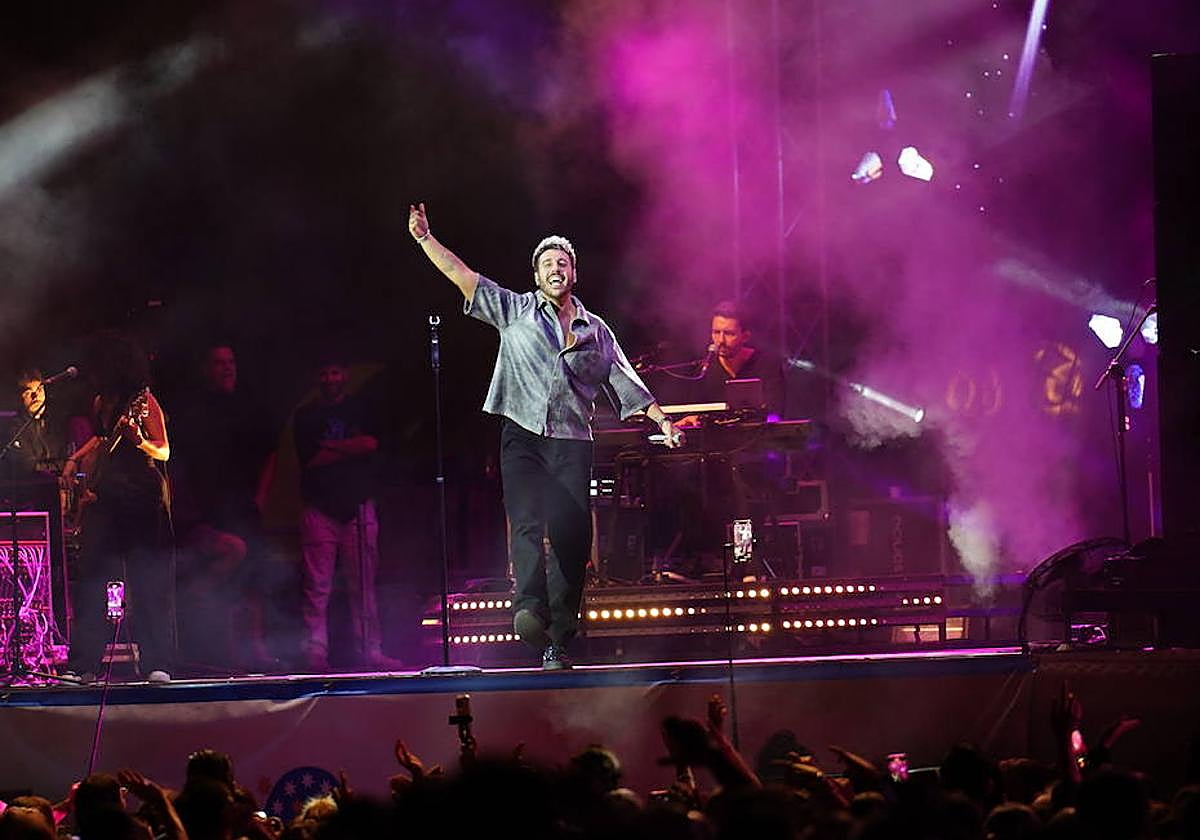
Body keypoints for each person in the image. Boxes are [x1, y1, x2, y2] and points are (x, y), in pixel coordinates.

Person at [407, 202, 682, 670]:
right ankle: (528, 609)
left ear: (574, 273)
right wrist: (424, 239)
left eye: (563, 262)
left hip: (572, 440)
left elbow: (624, 378)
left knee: (573, 539)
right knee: (528, 523)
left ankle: (558, 639)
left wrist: (661, 419)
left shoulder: (594, 330)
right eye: (547, 263)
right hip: (522, 433)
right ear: (536, 274)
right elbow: (462, 275)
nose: (556, 268)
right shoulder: (513, 310)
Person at [61, 333, 174, 683]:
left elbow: (164, 450)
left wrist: (138, 440)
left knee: (146, 582)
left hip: (140, 497)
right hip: (108, 497)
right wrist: (74, 459)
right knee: (94, 580)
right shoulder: (101, 402)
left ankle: (157, 663)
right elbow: (101, 437)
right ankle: (85, 665)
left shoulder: (144, 401)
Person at [171, 344, 280, 672]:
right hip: (209, 508)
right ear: (208, 369)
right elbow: (180, 462)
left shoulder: (248, 406)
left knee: (255, 577)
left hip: (245, 506)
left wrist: (261, 496)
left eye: (231, 362)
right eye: (219, 363)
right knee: (226, 569)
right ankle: (220, 647)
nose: (227, 368)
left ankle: (256, 648)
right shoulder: (196, 411)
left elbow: (271, 453)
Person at [292, 355, 394, 672]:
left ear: (345, 374)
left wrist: (333, 447)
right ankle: (314, 652)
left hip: (359, 507)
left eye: (335, 371)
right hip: (318, 508)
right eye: (324, 373)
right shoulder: (306, 415)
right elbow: (310, 459)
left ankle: (370, 650)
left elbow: (372, 444)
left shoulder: (362, 407)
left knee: (363, 586)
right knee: (317, 588)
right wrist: (353, 446)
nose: (330, 379)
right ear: (316, 377)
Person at [687, 300, 785, 418]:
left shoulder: (767, 365)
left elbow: (775, 413)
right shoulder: (703, 368)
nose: (721, 340)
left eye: (729, 334)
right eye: (716, 332)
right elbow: (693, 413)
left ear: (745, 336)